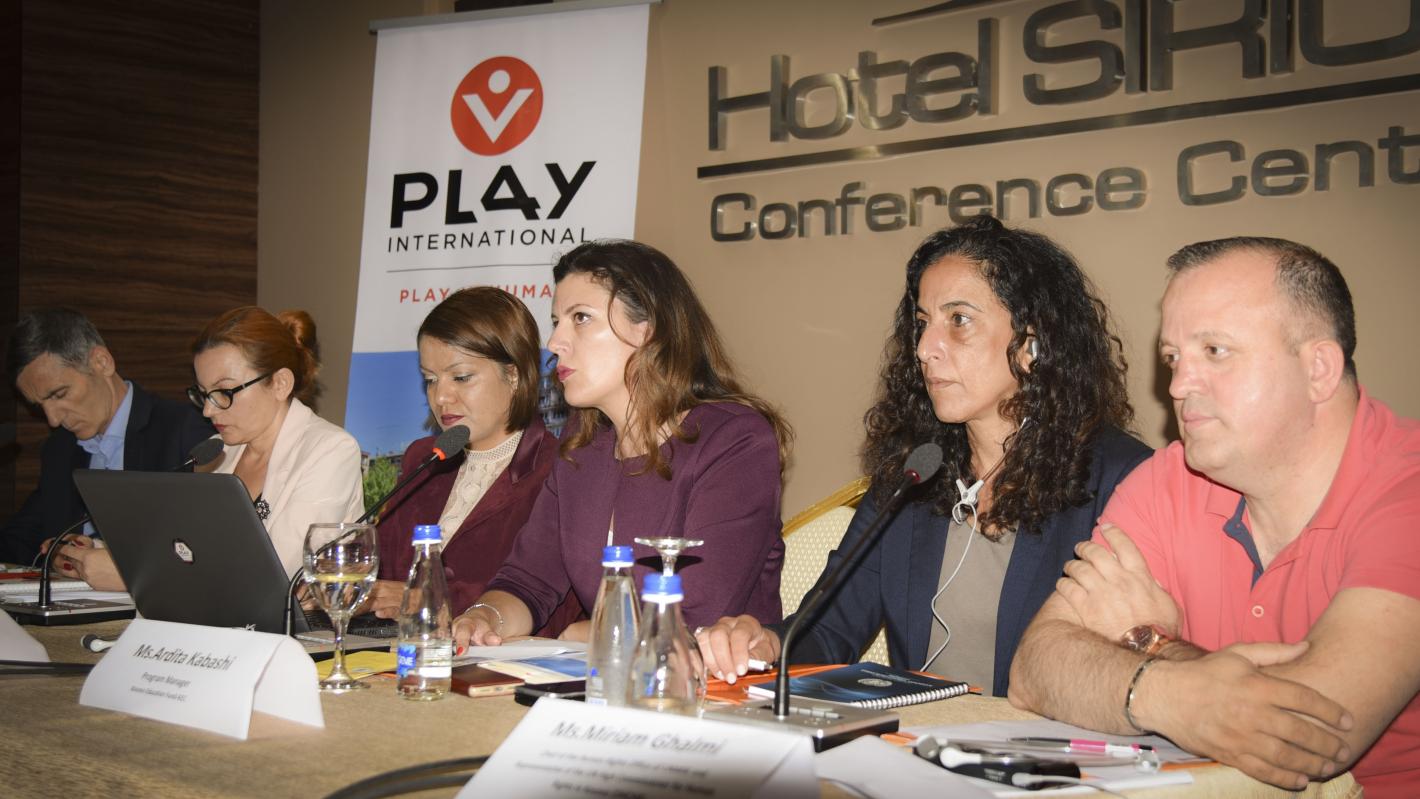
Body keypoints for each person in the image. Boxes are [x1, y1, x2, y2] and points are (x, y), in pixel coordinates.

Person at [1007, 237, 1420, 795]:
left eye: (1215, 351)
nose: (1178, 386)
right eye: (1173, 358)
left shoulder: (1407, 492)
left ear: (1319, 368)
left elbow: (1310, 735)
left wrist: (1148, 643)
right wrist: (1175, 693)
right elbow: (1034, 669)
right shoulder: (1169, 479)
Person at [698, 215, 1151, 697]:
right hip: (917, 737)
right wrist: (765, 643)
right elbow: (827, 631)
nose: (925, 348)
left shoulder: (1121, 480)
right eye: (921, 324)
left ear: (1030, 345)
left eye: (959, 320)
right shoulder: (914, 476)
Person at [452, 239, 792, 647]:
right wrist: (484, 616)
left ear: (648, 330)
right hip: (604, 676)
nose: (555, 342)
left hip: (712, 681)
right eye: (557, 321)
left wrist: (584, 634)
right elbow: (528, 581)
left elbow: (695, 617)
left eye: (580, 318)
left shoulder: (735, 441)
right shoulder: (581, 450)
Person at [56, 307, 365, 587]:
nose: (207, 410)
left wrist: (129, 575)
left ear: (280, 384)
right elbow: (184, 551)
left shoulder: (330, 451)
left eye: (223, 392)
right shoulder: (216, 450)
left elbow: (275, 579)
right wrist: (97, 552)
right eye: (203, 394)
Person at [368, 287, 581, 636]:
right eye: (430, 380)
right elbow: (383, 573)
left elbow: (555, 608)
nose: (441, 396)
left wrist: (431, 601)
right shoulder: (423, 459)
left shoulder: (560, 470)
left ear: (513, 375)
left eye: (461, 377)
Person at [2, 308, 212, 565]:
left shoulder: (184, 431)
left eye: (59, 394)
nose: (53, 419)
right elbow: (20, 540)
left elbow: (208, 547)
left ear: (102, 362)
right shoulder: (59, 449)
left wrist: (123, 567)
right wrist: (55, 555)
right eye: (39, 406)